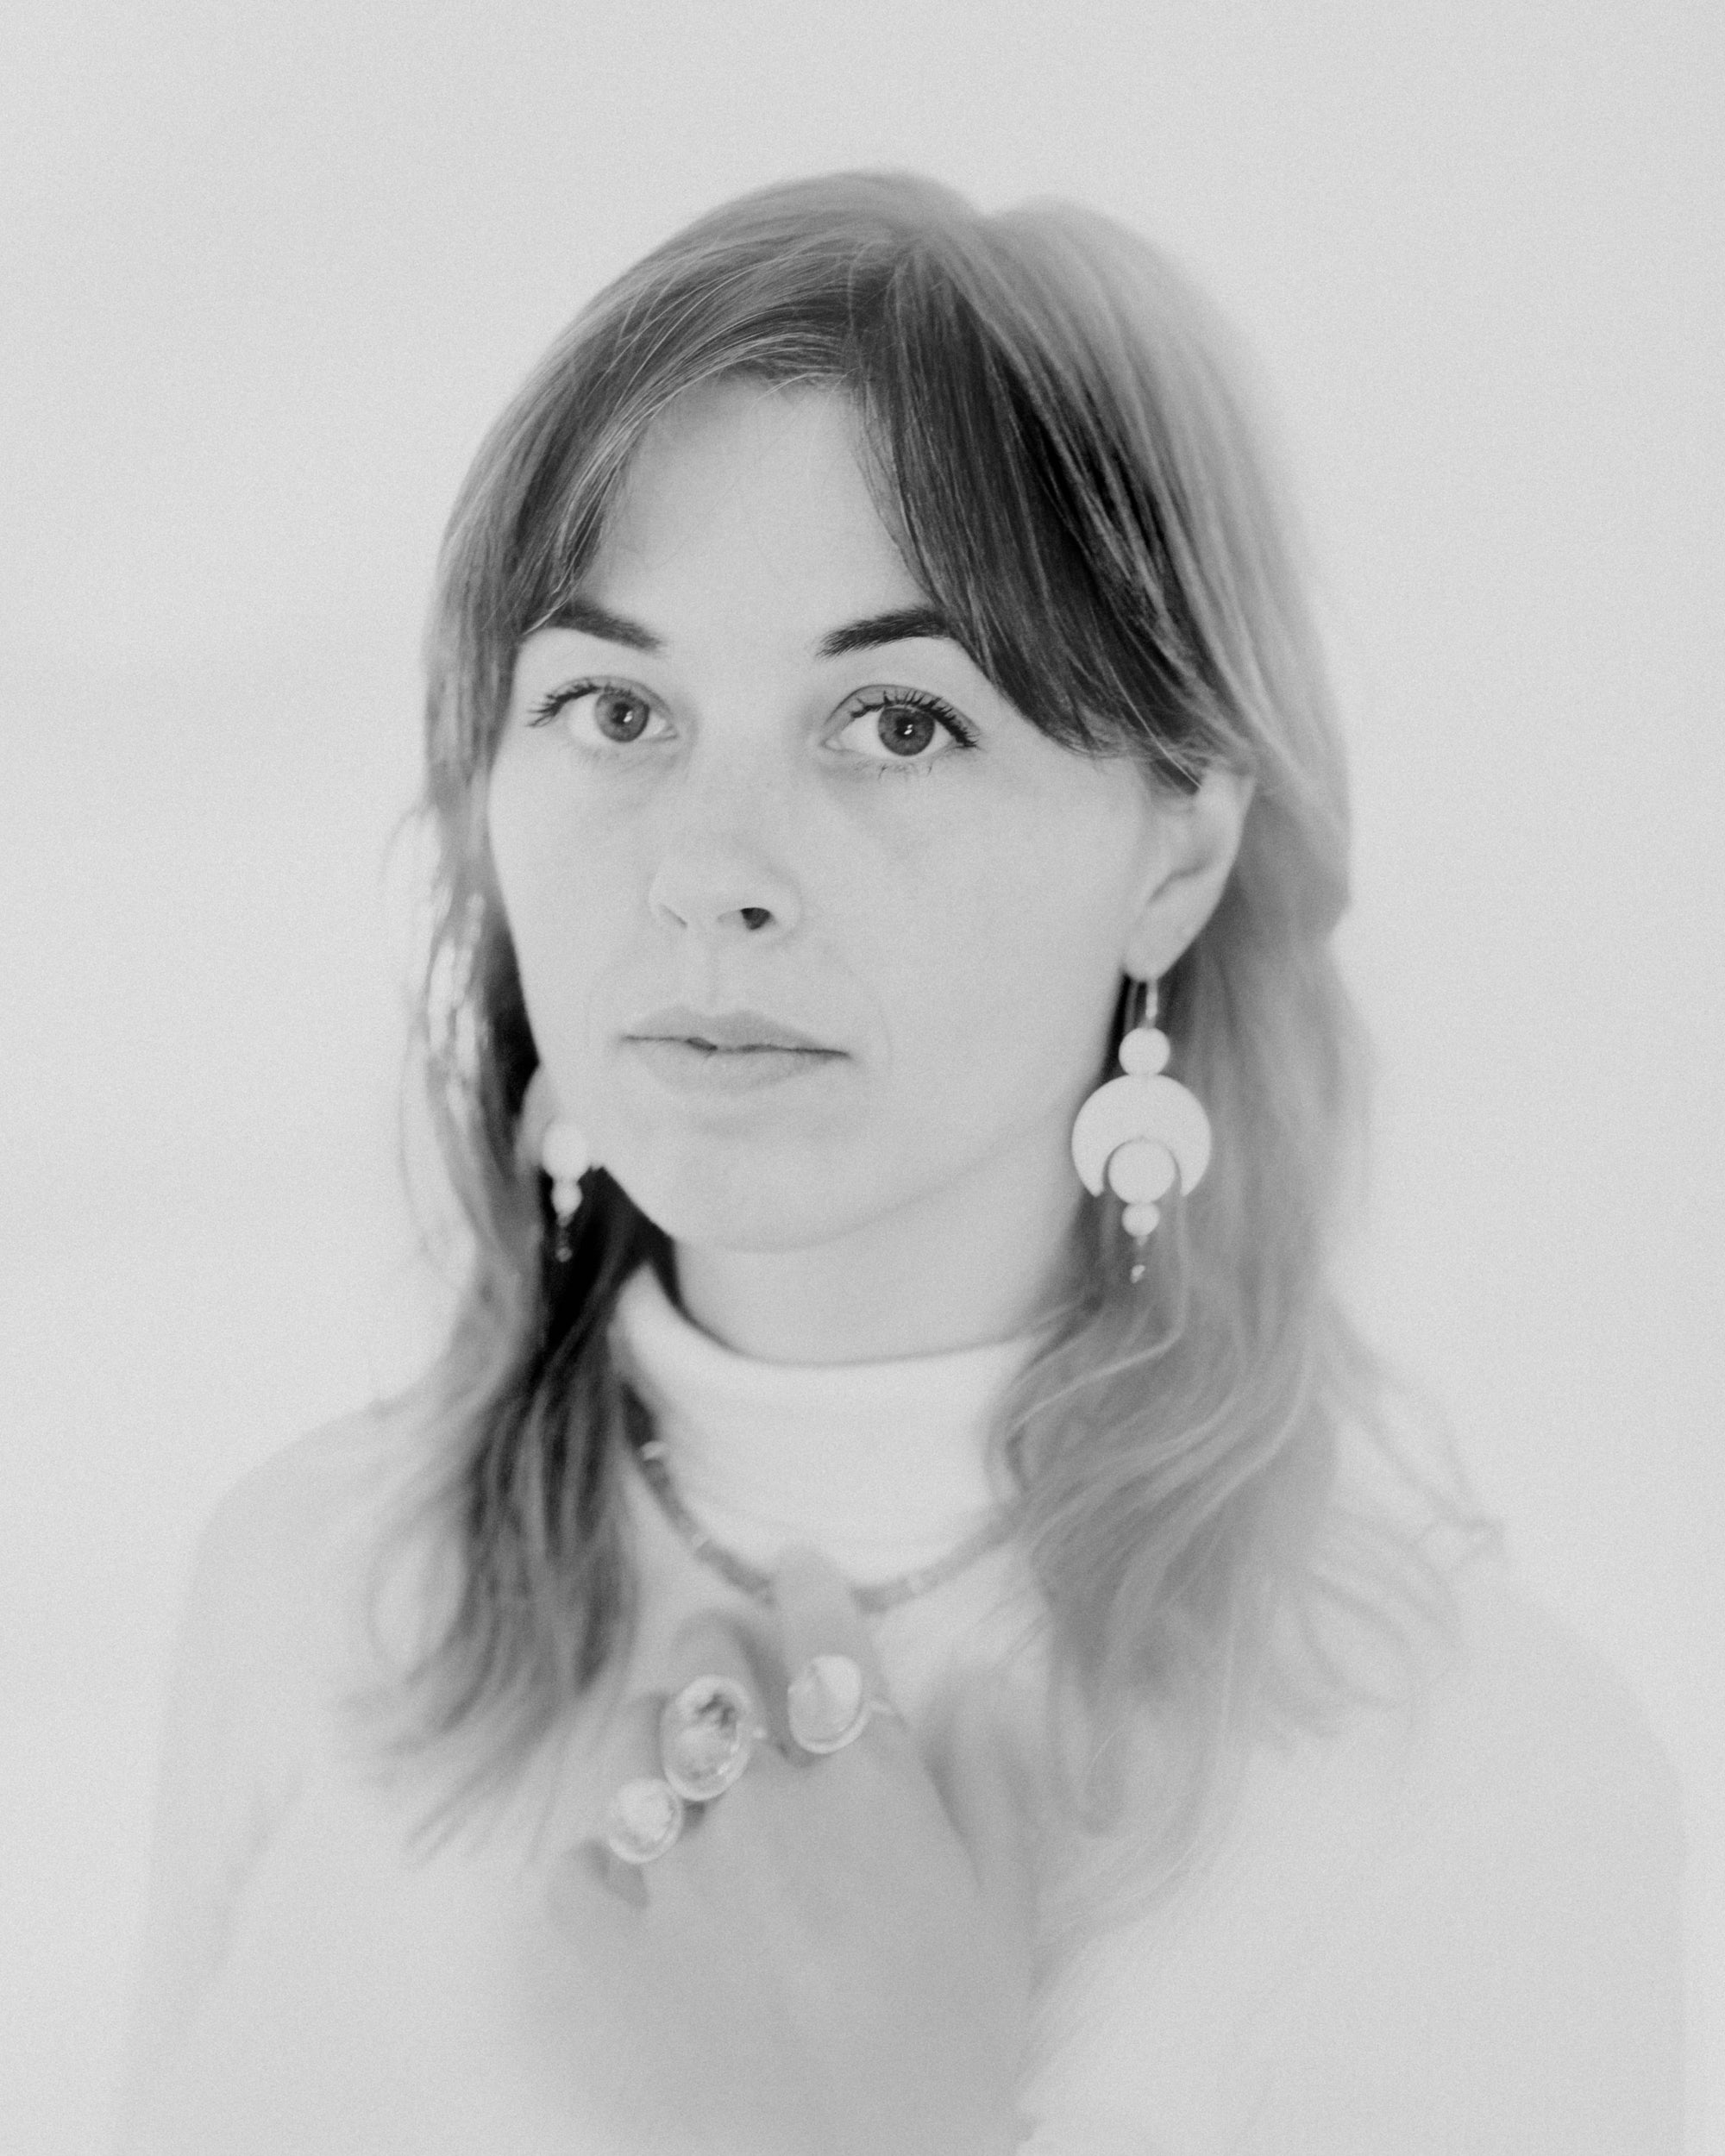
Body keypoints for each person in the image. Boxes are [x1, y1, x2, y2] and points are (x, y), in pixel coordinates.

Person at [115, 172, 1685, 2153]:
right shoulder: (321, 1588)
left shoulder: (1471, 1789)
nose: (708, 873)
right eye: (615, 705)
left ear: (1175, 850)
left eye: (898, 721)